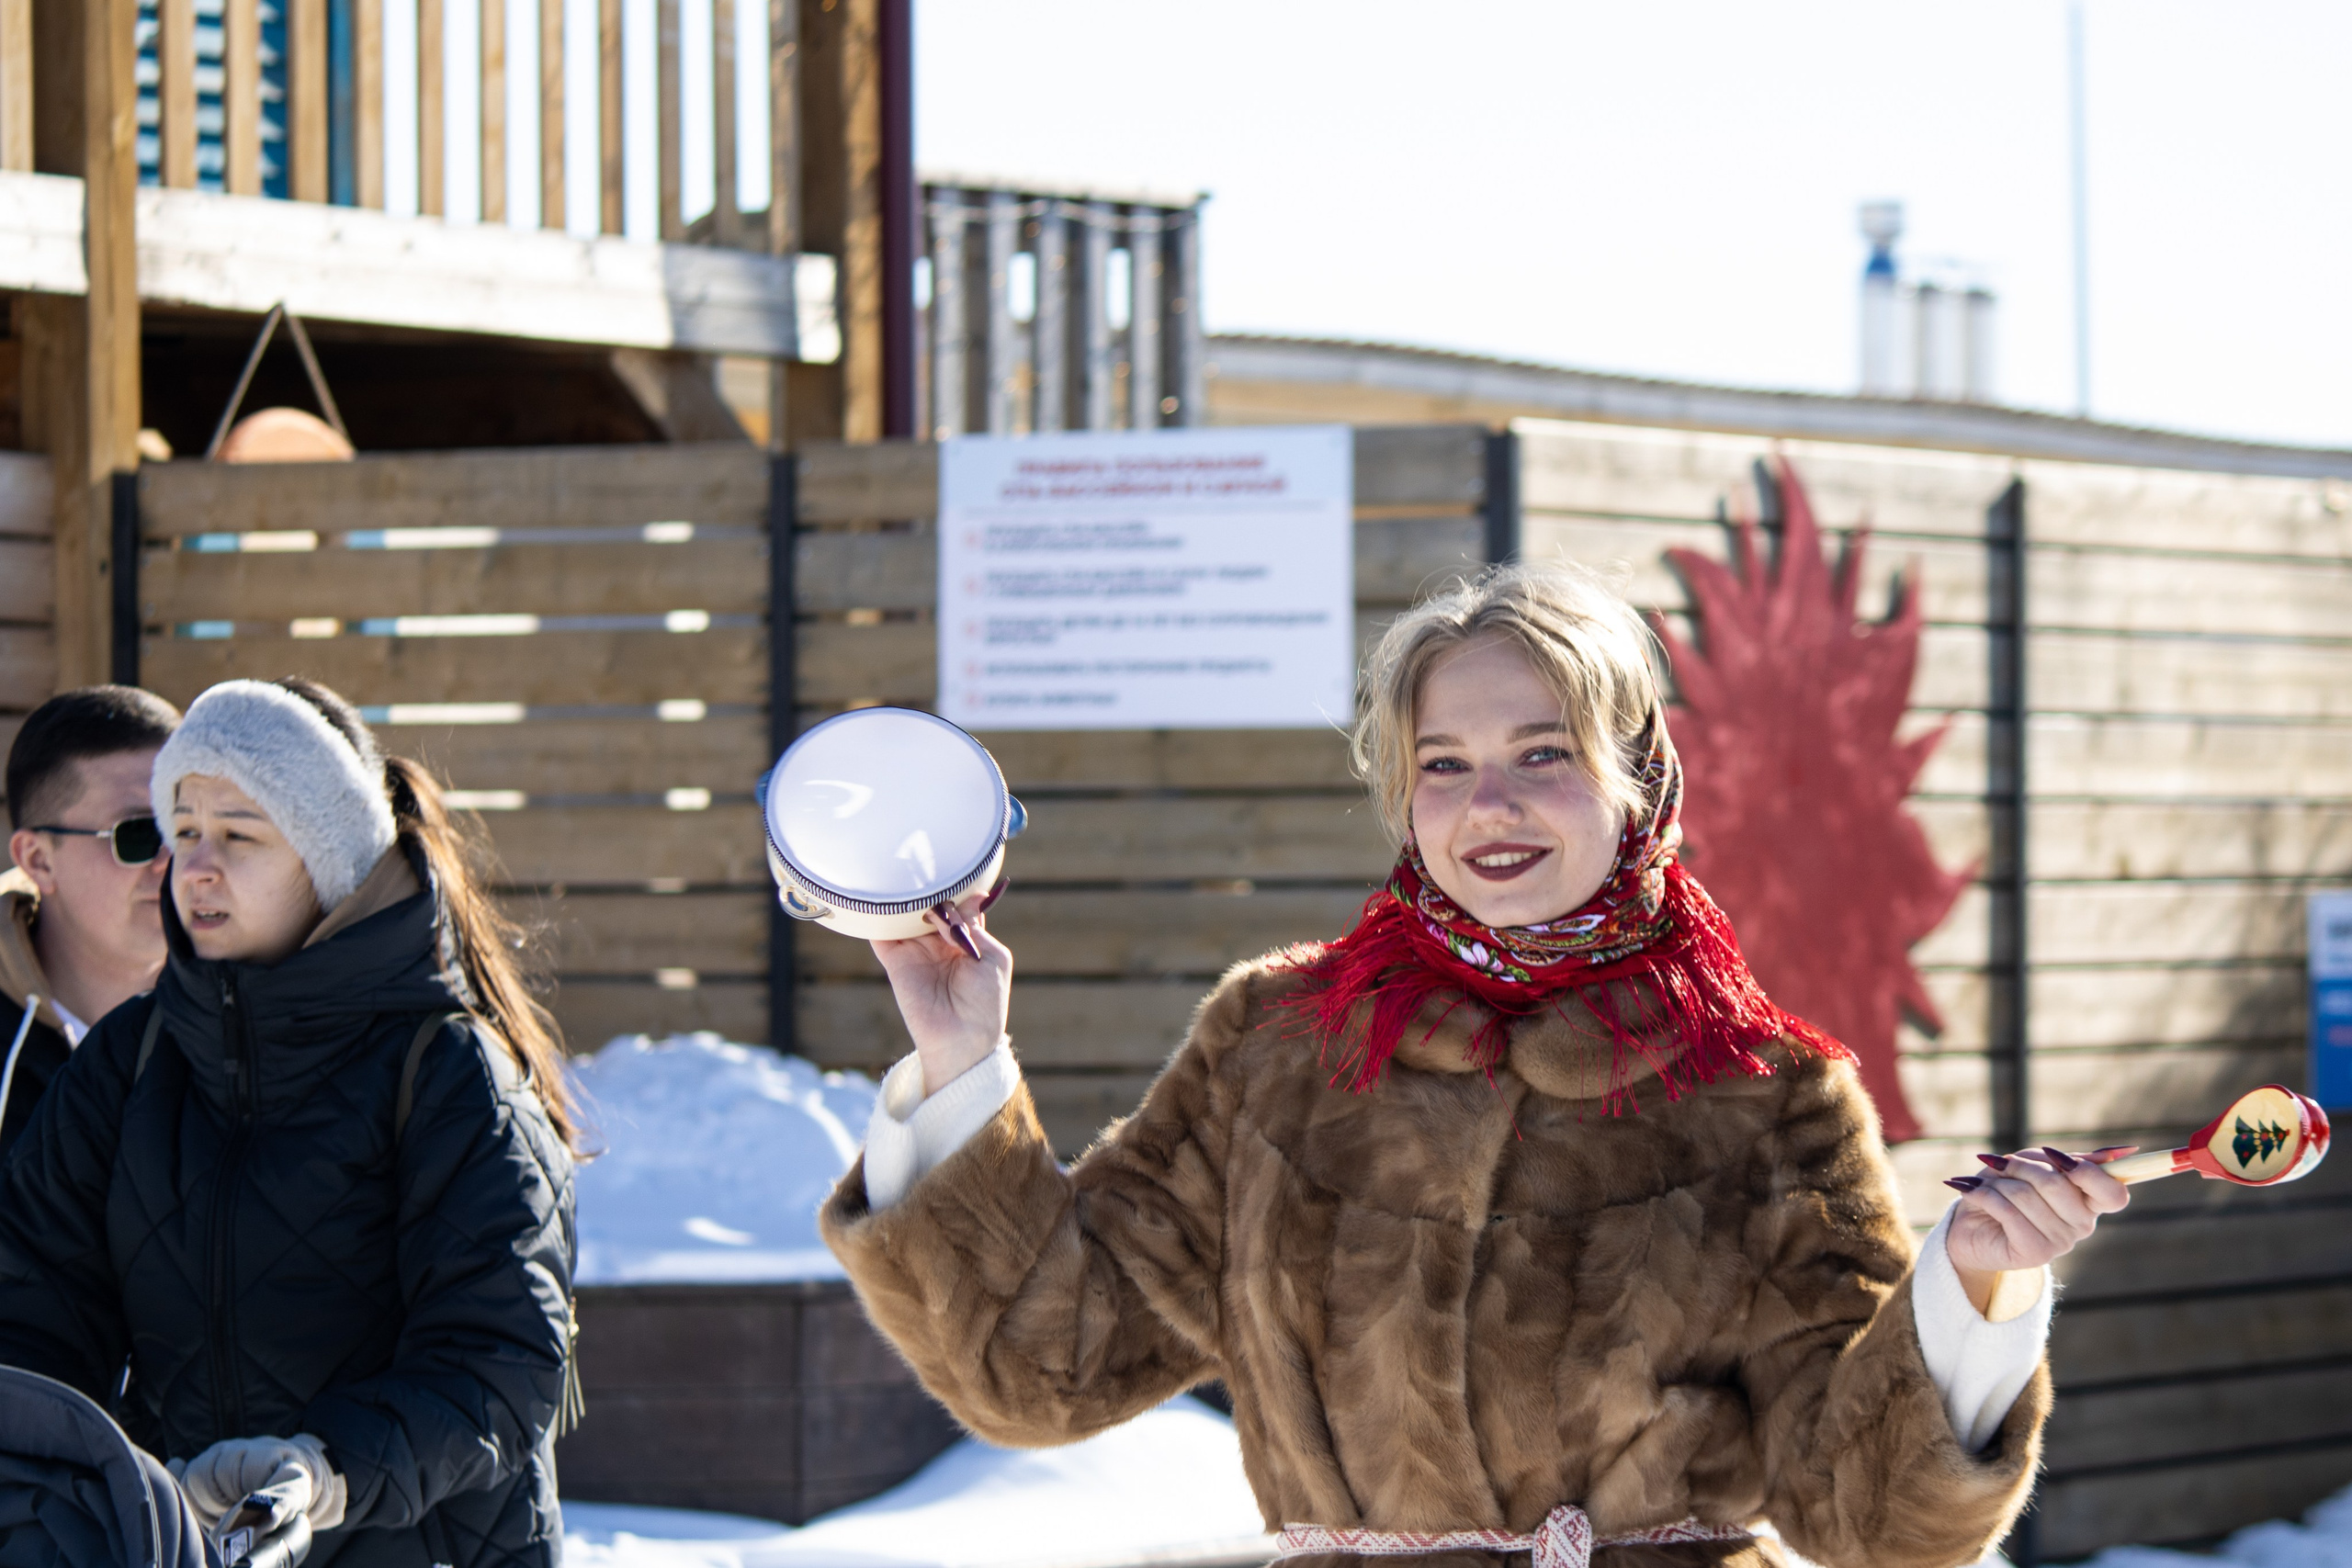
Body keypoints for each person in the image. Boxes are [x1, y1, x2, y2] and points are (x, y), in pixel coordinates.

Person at [815, 566, 2131, 1568]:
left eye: (1541, 754)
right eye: (1442, 764)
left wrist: (1976, 1289)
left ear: (1638, 778)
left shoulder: (1763, 1092)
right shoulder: (1278, 1043)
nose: (1487, 805)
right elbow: (1042, 1368)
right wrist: (959, 1055)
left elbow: (1867, 1517)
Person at [0, 677, 580, 1567]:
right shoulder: (129, 1061)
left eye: (239, 836)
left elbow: (499, 1367)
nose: (195, 867)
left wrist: (325, 1469)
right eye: (183, 831)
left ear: (328, 858)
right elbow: (33, 1325)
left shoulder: (448, 1072)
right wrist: (84, 1500)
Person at [2, 685, 181, 1161]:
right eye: (138, 834)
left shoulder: (254, 1016)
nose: (176, 861)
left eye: (186, 829)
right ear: (38, 860)